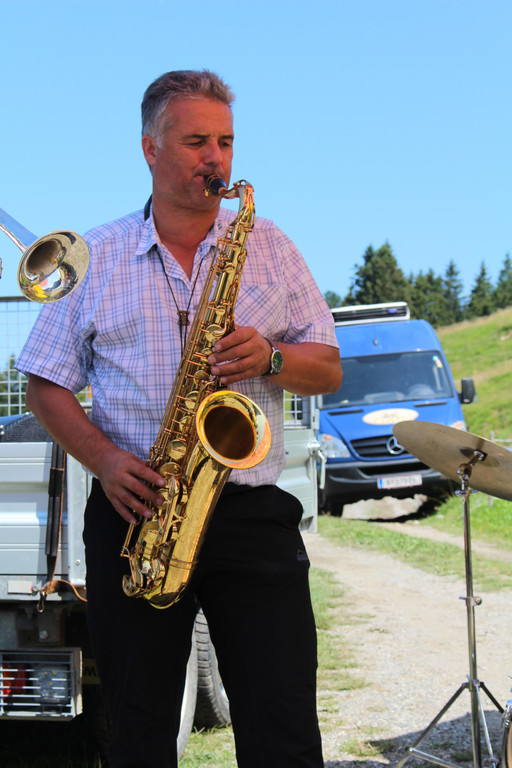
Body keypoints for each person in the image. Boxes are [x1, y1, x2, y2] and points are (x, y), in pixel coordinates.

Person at [16, 69, 342, 768]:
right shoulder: (97, 255)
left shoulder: (270, 244)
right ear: (150, 148)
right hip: (137, 512)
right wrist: (105, 462)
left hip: (251, 512)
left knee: (283, 727)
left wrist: (273, 358)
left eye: (225, 142)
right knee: (138, 732)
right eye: (197, 142)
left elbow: (328, 367)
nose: (215, 159)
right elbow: (43, 383)